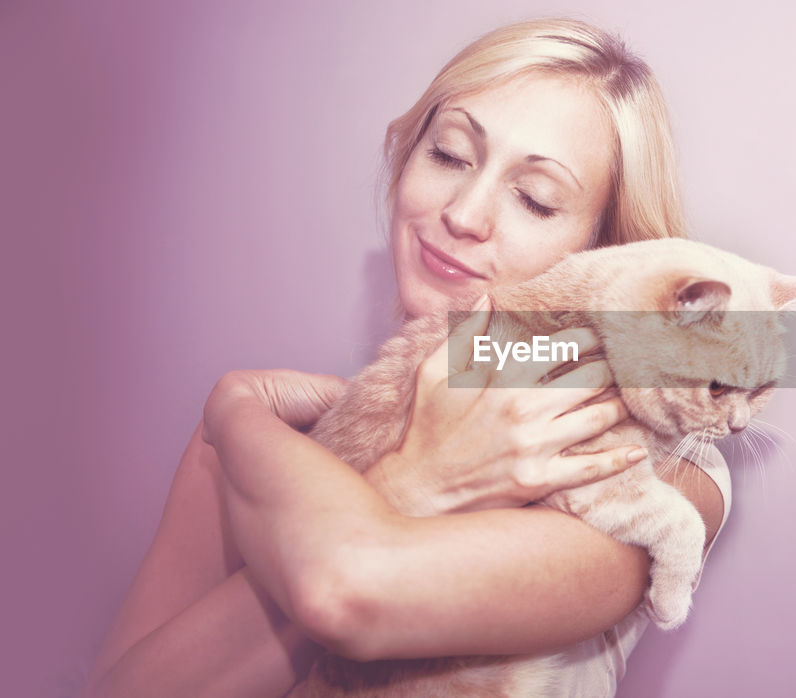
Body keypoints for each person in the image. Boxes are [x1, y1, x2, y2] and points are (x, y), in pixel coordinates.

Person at [84, 18, 729, 698]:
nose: (465, 213)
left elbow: (344, 589)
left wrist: (407, 482)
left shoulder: (652, 467)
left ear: (607, 260)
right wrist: (396, 470)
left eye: (536, 198)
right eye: (450, 155)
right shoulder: (261, 442)